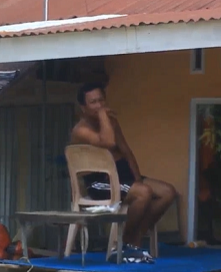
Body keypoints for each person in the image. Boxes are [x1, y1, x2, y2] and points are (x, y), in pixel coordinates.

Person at [70, 82, 178, 259]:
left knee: (167, 192)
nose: (99, 106)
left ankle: (134, 238)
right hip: (100, 183)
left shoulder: (112, 122)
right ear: (83, 108)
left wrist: (136, 177)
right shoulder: (81, 130)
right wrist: (104, 116)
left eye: (101, 101)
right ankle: (121, 243)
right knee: (143, 193)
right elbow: (108, 142)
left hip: (123, 177)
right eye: (93, 102)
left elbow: (125, 151)